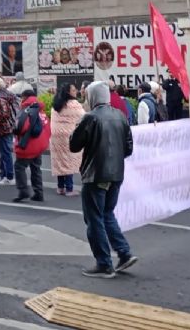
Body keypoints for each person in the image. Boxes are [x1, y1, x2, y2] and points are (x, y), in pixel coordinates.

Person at [69, 81, 137, 278]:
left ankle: (104, 263)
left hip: (95, 174)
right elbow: (129, 148)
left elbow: (74, 145)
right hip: (116, 173)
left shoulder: (90, 117)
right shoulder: (120, 115)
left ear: (92, 96)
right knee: (107, 214)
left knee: (94, 218)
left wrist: (78, 128)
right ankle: (124, 253)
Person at [13, 90, 50, 203]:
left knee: (19, 167)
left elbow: (20, 128)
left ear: (25, 97)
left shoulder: (26, 111)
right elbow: (48, 129)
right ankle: (39, 193)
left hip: (28, 145)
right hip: (39, 146)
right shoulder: (41, 111)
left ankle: (23, 191)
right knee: (36, 168)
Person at [51, 83, 84, 196]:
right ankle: (69, 189)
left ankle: (60, 187)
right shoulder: (74, 104)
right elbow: (83, 117)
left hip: (56, 136)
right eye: (74, 90)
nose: (76, 91)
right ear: (68, 92)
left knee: (60, 161)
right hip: (68, 136)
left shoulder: (56, 104)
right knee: (68, 161)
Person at [0, 76, 18, 185]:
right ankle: (5, 175)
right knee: (4, 153)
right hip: (7, 127)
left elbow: (3, 114)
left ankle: (9, 177)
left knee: (5, 153)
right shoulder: (6, 93)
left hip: (3, 128)